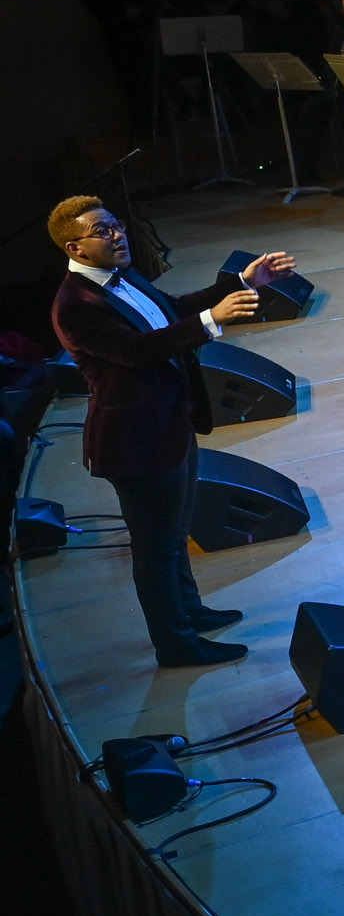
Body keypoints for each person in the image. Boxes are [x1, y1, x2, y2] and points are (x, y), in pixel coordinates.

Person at [45, 198, 289, 668]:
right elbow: (138, 351)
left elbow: (170, 310)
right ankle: (175, 645)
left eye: (116, 225)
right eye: (103, 230)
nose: (118, 236)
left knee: (176, 533)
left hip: (170, 421)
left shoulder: (122, 275)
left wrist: (240, 282)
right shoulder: (75, 305)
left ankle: (190, 613)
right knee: (155, 550)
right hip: (135, 441)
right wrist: (213, 319)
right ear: (75, 246)